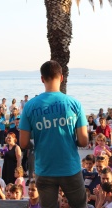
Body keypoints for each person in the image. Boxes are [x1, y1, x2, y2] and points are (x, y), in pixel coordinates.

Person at [19, 60, 88, 208]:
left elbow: (23, 143)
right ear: (62, 78)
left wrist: (38, 143)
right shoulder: (74, 104)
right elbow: (83, 141)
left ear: (42, 79)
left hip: (45, 168)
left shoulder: (30, 106)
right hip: (70, 167)